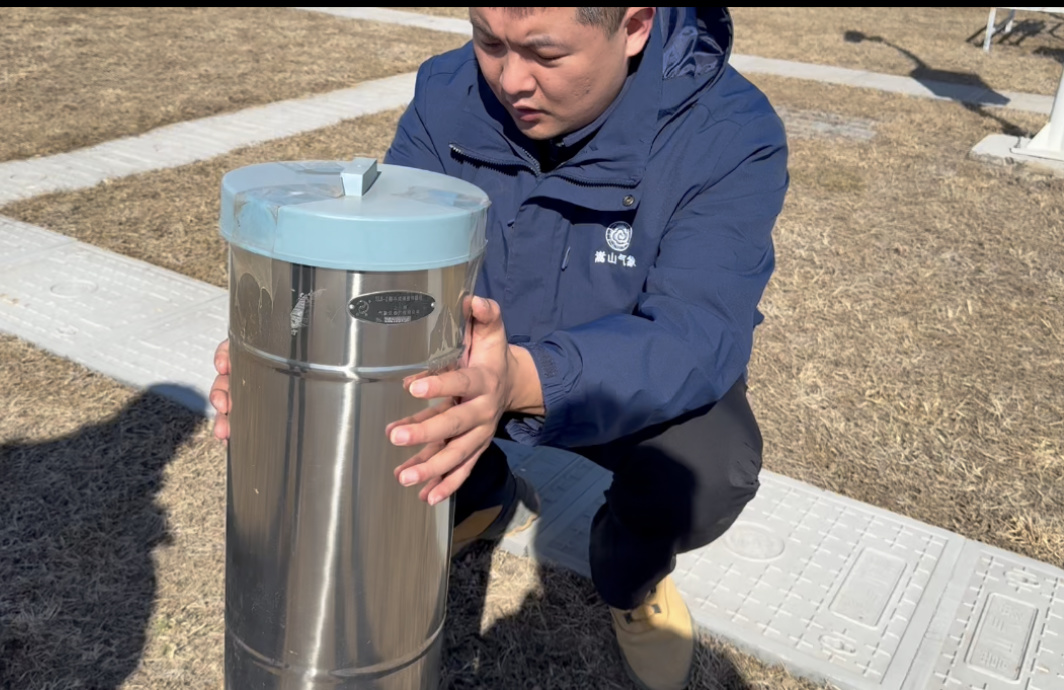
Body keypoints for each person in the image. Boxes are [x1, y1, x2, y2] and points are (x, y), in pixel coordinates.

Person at [210, 7, 788, 689]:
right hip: (467, 358)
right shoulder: (448, 91)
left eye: (545, 54)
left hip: (609, 378)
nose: (510, 80)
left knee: (710, 465)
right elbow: (390, 260)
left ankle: (630, 574)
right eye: (489, 40)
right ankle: (480, 495)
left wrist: (519, 378)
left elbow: (695, 334)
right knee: (372, 391)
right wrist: (290, 351)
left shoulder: (728, 132)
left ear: (634, 26)